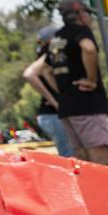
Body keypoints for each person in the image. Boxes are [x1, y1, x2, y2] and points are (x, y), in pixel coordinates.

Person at [37, 0, 108, 163]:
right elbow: (89, 48)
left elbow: (45, 69)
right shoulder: (81, 31)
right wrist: (91, 80)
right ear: (80, 14)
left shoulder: (56, 37)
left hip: (67, 106)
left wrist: (63, 91)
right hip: (87, 103)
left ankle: (86, 189)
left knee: (80, 158)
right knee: (98, 156)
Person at [22, 26, 74, 157]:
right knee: (70, 155)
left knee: (70, 153)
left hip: (50, 115)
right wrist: (57, 101)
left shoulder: (45, 56)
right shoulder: (49, 55)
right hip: (53, 115)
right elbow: (29, 74)